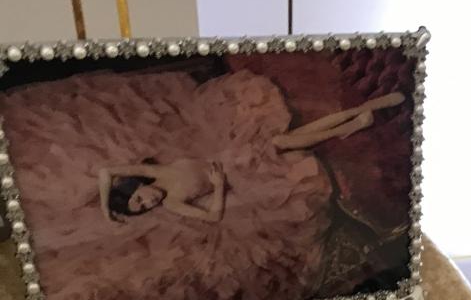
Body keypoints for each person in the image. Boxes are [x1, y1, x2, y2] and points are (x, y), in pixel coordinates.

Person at [97, 91, 405, 222]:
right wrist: (218, 187)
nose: (148, 203)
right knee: (286, 142)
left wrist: (106, 209)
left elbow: (106, 172)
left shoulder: (155, 173)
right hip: (244, 174)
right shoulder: (172, 202)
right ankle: (357, 117)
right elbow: (212, 217)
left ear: (136, 186)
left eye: (139, 199)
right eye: (143, 209)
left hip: (237, 151)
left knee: (288, 138)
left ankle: (353, 121)